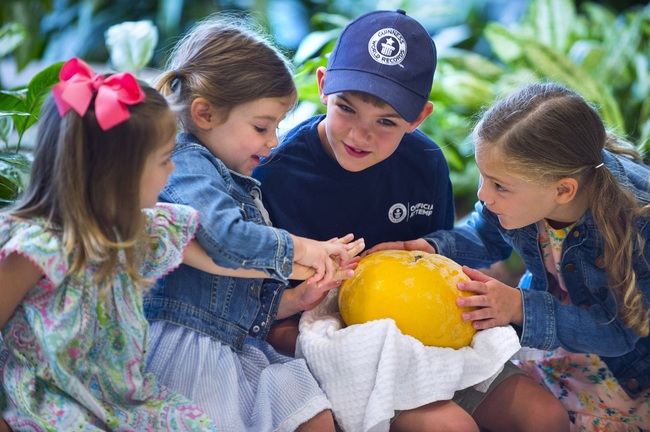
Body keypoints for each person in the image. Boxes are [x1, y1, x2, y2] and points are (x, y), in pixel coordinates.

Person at [253, 9, 569, 432]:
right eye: (346, 108)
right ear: (324, 85)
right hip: (327, 346)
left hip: (427, 337)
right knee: (449, 427)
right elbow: (265, 316)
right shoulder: (275, 173)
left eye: (386, 121)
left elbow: (437, 269)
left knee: (544, 416)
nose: (359, 135)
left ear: (420, 116)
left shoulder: (425, 162)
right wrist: (356, 346)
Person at [0, 57, 275, 430]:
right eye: (164, 160)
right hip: (50, 407)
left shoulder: (133, 232)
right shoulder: (36, 249)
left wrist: (307, 260)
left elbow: (218, 258)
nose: (173, 171)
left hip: (118, 402)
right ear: (117, 176)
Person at [367, 82, 650, 430]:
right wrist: (436, 247)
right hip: (548, 341)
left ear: (563, 190)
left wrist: (519, 308)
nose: (484, 194)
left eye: (499, 185)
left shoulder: (639, 223)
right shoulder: (528, 191)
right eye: (484, 177)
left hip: (627, 372)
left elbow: (620, 334)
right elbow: (485, 235)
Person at [141, 14, 364, 432]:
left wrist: (295, 301)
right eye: (262, 126)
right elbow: (225, 239)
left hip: (236, 346)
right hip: (189, 348)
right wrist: (303, 249)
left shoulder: (234, 179)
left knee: (315, 415)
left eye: (277, 126)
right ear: (204, 113)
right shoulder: (184, 164)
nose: (274, 140)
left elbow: (233, 294)